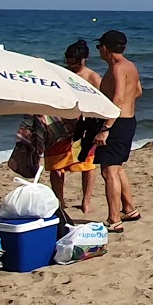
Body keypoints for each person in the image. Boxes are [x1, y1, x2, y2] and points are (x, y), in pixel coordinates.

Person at [95, 30, 142, 232]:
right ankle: (129, 208)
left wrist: (106, 127)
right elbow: (138, 91)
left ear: (105, 48)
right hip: (128, 120)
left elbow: (119, 98)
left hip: (117, 123)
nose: (99, 50)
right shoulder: (130, 66)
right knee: (117, 167)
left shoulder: (117, 68)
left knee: (109, 171)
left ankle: (114, 219)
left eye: (99, 47)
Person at [49, 40, 104, 213]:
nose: (71, 66)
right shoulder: (63, 74)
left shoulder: (92, 77)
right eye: (68, 62)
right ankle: (60, 201)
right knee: (56, 165)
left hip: (85, 125)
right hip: (61, 124)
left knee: (86, 164)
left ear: (84, 59)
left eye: (74, 62)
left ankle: (86, 201)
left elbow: (103, 102)